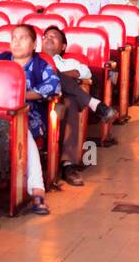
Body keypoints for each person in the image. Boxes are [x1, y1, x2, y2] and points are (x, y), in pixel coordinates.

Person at [0, 25, 63, 215]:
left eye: (23, 38)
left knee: (23, 133)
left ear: (33, 44)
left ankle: (37, 190)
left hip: (29, 116)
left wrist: (21, 95)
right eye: (14, 37)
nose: (16, 42)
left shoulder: (40, 65)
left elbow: (53, 86)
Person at [42, 27, 114, 186]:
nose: (48, 39)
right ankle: (94, 104)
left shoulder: (70, 62)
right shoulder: (33, 60)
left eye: (53, 37)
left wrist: (71, 72)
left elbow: (86, 73)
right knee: (53, 75)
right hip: (38, 101)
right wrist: (61, 74)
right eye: (45, 36)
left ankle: (67, 164)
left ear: (63, 47)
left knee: (71, 103)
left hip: (60, 103)